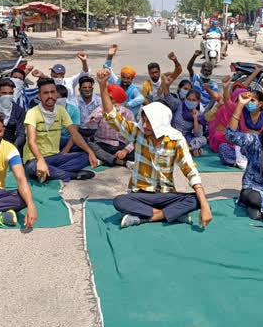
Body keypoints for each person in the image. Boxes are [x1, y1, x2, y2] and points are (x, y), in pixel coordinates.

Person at [95, 69, 212, 229]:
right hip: (141, 193)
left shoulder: (176, 139)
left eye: (148, 122)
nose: (144, 125)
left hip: (166, 194)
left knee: (199, 199)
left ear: (160, 122)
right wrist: (102, 86)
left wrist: (204, 206)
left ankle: (147, 216)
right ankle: (171, 214)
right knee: (120, 201)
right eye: (143, 120)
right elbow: (113, 117)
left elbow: (190, 171)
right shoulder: (138, 133)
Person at [23, 77, 99, 182]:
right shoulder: (32, 113)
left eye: (52, 92)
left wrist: (90, 152)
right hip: (35, 158)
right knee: (32, 168)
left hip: (55, 156)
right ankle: (72, 175)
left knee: (85, 157)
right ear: (39, 96)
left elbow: (75, 134)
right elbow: (31, 142)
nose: (50, 96)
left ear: (56, 94)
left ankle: (50, 173)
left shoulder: (61, 111)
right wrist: (40, 160)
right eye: (45, 93)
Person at [83, 83, 135, 167]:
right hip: (102, 143)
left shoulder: (127, 113)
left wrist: (125, 151)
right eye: (107, 98)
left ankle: (105, 160)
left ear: (118, 100)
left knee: (139, 151)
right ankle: (122, 162)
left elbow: (135, 137)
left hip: (119, 146)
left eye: (111, 99)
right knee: (90, 145)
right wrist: (101, 114)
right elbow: (87, 124)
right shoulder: (100, 109)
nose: (108, 101)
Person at [158, 75, 207, 156]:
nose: (191, 101)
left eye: (193, 100)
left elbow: (197, 134)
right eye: (189, 99)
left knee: (203, 139)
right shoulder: (179, 104)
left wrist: (195, 118)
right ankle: (187, 150)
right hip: (172, 136)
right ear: (185, 99)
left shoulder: (198, 115)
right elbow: (168, 97)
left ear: (198, 102)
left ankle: (186, 149)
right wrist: (166, 85)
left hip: (186, 139)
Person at [103, 44, 145, 117]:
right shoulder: (117, 82)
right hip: (115, 118)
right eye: (123, 77)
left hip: (129, 121)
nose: (125, 80)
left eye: (128, 78)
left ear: (132, 79)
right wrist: (110, 57)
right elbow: (107, 71)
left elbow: (141, 98)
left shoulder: (134, 89)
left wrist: (128, 105)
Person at [70, 75, 101, 140]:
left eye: (89, 87)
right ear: (79, 89)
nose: (87, 89)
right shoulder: (74, 101)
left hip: (96, 131)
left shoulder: (98, 100)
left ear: (92, 89)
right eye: (84, 87)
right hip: (79, 130)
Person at [57, 84, 81, 153]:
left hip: (68, 140)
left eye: (59, 98)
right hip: (53, 141)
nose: (57, 100)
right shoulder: (48, 110)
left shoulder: (74, 110)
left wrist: (66, 149)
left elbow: (74, 133)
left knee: (82, 142)